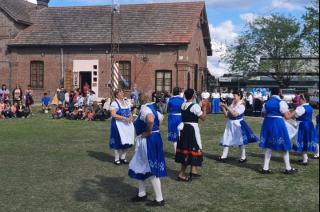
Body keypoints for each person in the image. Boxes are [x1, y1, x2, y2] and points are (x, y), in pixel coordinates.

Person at [128, 93, 166, 207]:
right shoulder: (155, 110)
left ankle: (159, 199)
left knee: (151, 167)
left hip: (148, 140)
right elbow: (160, 119)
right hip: (154, 138)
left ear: (141, 99)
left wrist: (148, 132)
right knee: (140, 165)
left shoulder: (145, 109)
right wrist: (154, 130)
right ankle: (141, 193)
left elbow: (150, 120)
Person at [259, 87, 297, 174]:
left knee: (269, 145)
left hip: (267, 123)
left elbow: (263, 114)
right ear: (279, 92)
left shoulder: (266, 103)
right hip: (277, 123)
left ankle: (265, 168)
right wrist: (294, 112)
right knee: (283, 144)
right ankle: (288, 168)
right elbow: (287, 117)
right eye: (281, 91)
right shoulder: (281, 102)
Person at [175, 89, 207, 181]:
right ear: (193, 96)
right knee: (193, 148)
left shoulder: (183, 105)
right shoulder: (195, 106)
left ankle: (193, 171)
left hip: (185, 128)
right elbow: (203, 118)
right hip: (192, 129)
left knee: (187, 148)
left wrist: (199, 106)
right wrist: (204, 108)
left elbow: (192, 109)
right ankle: (181, 174)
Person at [218, 90, 258, 162]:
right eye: (233, 95)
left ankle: (243, 157)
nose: (234, 97)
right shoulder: (233, 103)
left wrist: (226, 107)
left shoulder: (242, 105)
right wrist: (223, 107)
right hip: (230, 123)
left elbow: (235, 114)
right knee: (227, 138)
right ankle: (223, 156)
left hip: (238, 124)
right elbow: (226, 115)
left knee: (240, 140)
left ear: (239, 96)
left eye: (235, 95)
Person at [109, 89, 135, 165]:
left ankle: (123, 157)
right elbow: (113, 115)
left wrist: (130, 117)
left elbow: (129, 112)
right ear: (117, 95)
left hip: (128, 125)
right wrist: (125, 118)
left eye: (122, 92)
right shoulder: (114, 103)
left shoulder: (126, 102)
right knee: (117, 141)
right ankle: (116, 159)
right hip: (118, 124)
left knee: (128, 140)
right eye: (121, 93)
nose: (122, 93)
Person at [290, 93, 316, 165]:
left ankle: (305, 160)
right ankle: (305, 158)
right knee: (306, 141)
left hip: (302, 125)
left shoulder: (301, 108)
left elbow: (295, 116)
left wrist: (292, 114)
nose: (299, 100)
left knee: (302, 140)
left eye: (300, 99)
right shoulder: (310, 107)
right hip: (309, 125)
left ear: (304, 99)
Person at [167, 87, 184, 152]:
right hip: (180, 117)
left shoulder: (170, 100)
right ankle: (182, 151)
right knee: (181, 133)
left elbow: (168, 109)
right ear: (179, 92)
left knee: (174, 135)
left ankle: (176, 152)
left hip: (172, 118)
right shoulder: (182, 100)